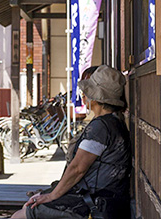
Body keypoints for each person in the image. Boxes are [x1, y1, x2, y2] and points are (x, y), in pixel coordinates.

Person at [11, 65, 132, 219]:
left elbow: (77, 169)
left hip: (95, 203)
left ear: (95, 97)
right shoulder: (113, 122)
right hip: (104, 197)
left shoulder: (101, 127)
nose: (84, 95)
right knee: (32, 204)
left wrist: (52, 196)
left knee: (21, 215)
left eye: (87, 92)